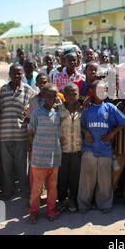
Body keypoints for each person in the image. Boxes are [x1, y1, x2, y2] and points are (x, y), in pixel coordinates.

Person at [78, 80, 125, 214]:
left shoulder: (110, 108)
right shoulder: (87, 107)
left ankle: (104, 204)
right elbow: (79, 123)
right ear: (93, 92)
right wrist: (86, 132)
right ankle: (84, 205)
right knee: (87, 180)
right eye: (98, 90)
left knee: (105, 180)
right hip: (89, 148)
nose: (101, 92)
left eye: (104, 90)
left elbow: (124, 121)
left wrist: (112, 134)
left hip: (105, 149)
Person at [0, 64, 35, 200]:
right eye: (14, 73)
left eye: (20, 73)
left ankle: (24, 190)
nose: (17, 76)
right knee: (6, 166)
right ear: (10, 74)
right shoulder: (3, 90)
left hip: (21, 135)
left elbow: (33, 109)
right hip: (5, 135)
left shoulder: (28, 90)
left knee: (21, 166)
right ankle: (8, 190)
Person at [27, 84, 63, 224]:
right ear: (42, 96)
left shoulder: (58, 114)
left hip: (54, 158)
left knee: (52, 187)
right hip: (39, 158)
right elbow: (30, 132)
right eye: (49, 96)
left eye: (54, 96)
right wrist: (33, 149)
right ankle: (34, 211)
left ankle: (51, 210)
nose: (52, 98)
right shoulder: (36, 113)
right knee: (37, 187)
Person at [57, 83, 83, 213]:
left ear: (78, 95)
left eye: (74, 94)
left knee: (75, 176)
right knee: (61, 177)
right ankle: (61, 200)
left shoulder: (82, 110)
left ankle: (73, 199)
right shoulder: (58, 109)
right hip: (62, 150)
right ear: (64, 95)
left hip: (77, 150)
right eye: (68, 94)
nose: (71, 96)